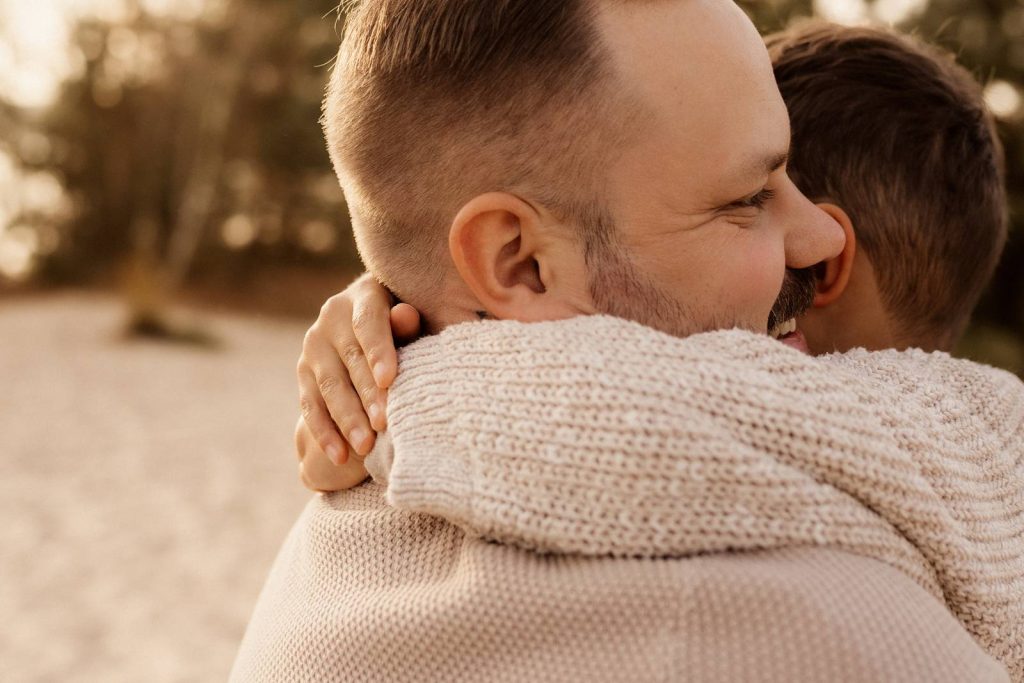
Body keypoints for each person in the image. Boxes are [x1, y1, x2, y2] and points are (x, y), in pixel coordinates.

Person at [231, 6, 1015, 681]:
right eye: (747, 198)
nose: (817, 237)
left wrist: (414, 318)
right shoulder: (820, 624)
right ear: (520, 262)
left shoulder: (334, 536)